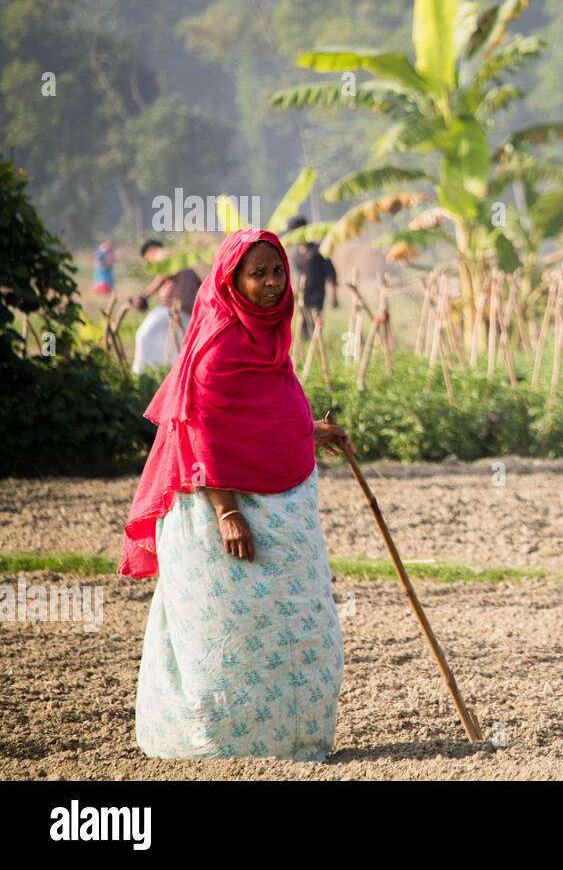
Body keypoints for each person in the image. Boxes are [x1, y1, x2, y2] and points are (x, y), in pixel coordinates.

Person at [120, 229, 353, 762]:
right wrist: (228, 513)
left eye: (277, 272)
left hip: (278, 502)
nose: (271, 284)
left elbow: (256, 417)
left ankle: (296, 739)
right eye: (258, 274)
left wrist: (312, 430)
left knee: (303, 624)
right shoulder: (219, 343)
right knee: (228, 634)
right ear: (233, 281)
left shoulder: (270, 335)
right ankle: (222, 749)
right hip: (217, 508)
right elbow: (200, 430)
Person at [287, 217, 338, 343]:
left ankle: (316, 346)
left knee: (315, 323)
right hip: (302, 295)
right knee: (302, 325)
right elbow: (294, 276)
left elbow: (331, 274)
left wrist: (334, 296)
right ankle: (305, 348)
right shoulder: (294, 255)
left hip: (317, 295)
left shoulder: (318, 250)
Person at [136, 239, 202, 317]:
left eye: (149, 261)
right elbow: (200, 284)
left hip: (170, 310)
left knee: (143, 329)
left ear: (150, 252)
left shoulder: (161, 254)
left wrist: (144, 296)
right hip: (189, 314)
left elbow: (164, 275)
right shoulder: (182, 258)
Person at [130, 295, 187, 374]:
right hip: (167, 310)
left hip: (186, 313)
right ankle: (144, 373)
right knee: (143, 336)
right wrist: (144, 296)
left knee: (182, 345)